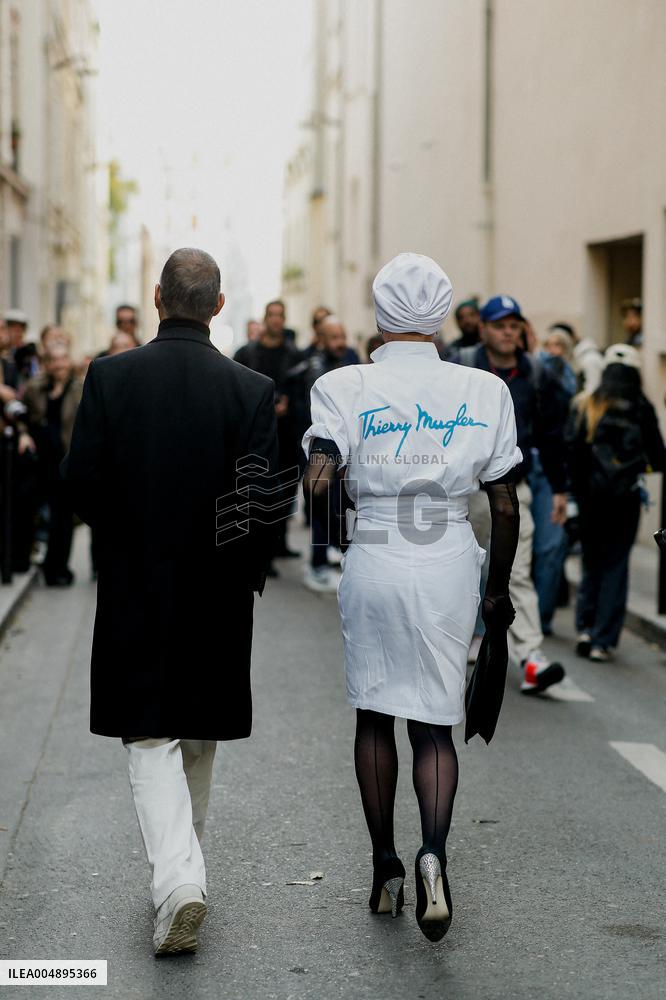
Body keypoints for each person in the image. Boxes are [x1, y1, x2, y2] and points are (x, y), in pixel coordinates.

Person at [63, 248, 279, 957]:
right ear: (218, 306)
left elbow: (80, 483)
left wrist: (126, 536)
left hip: (137, 582)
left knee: (149, 734)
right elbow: (259, 503)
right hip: (219, 588)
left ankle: (180, 880)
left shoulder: (110, 377)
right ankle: (180, 876)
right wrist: (241, 573)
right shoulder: (250, 388)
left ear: (157, 299)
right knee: (196, 731)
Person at [302, 253, 521, 941]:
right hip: (449, 554)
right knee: (433, 723)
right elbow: (505, 505)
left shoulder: (343, 385)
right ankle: (434, 854)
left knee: (375, 715)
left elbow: (317, 483)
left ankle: (385, 868)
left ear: (379, 313)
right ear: (442, 315)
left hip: (377, 549)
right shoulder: (485, 390)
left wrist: (338, 531)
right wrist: (495, 595)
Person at [454, 296, 569, 693]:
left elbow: (552, 436)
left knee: (517, 571)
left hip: (514, 491)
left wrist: (559, 489)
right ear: (483, 329)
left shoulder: (536, 374)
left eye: (514, 325)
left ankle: (531, 657)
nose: (508, 332)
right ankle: (460, 642)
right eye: (500, 325)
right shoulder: (461, 367)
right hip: (466, 492)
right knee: (464, 570)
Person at [567, 344, 665, 661]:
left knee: (591, 562)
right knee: (615, 566)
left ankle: (585, 627)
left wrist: (575, 496)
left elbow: (573, 454)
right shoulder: (642, 408)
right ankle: (603, 640)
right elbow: (659, 457)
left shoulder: (587, 404)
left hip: (591, 499)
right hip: (625, 500)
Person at [234, 299, 306, 568]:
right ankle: (262, 551)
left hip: (287, 434)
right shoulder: (247, 354)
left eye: (280, 315)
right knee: (258, 491)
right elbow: (238, 391)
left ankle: (279, 543)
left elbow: (303, 393)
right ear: (265, 318)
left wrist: (289, 405)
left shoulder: (294, 355)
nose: (276, 319)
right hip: (257, 435)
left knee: (286, 491)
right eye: (272, 314)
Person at [528, 330, 577, 633]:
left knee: (549, 546)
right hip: (526, 465)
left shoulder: (573, 382)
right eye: (549, 344)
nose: (554, 350)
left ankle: (541, 619)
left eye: (560, 345)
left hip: (554, 470)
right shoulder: (531, 374)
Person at [22, 347, 83, 585]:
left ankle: (58, 568)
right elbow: (22, 416)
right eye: (54, 360)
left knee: (63, 518)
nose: (59, 365)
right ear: (47, 364)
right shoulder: (34, 388)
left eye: (63, 359)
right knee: (32, 510)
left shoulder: (80, 388)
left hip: (65, 460)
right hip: (39, 461)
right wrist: (23, 433)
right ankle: (28, 559)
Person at [303, 315, 355, 592]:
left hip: (346, 450)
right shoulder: (315, 368)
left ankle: (333, 551)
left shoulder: (350, 360)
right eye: (334, 337)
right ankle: (318, 565)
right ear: (321, 339)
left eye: (343, 336)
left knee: (340, 505)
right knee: (321, 502)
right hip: (324, 451)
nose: (341, 342)